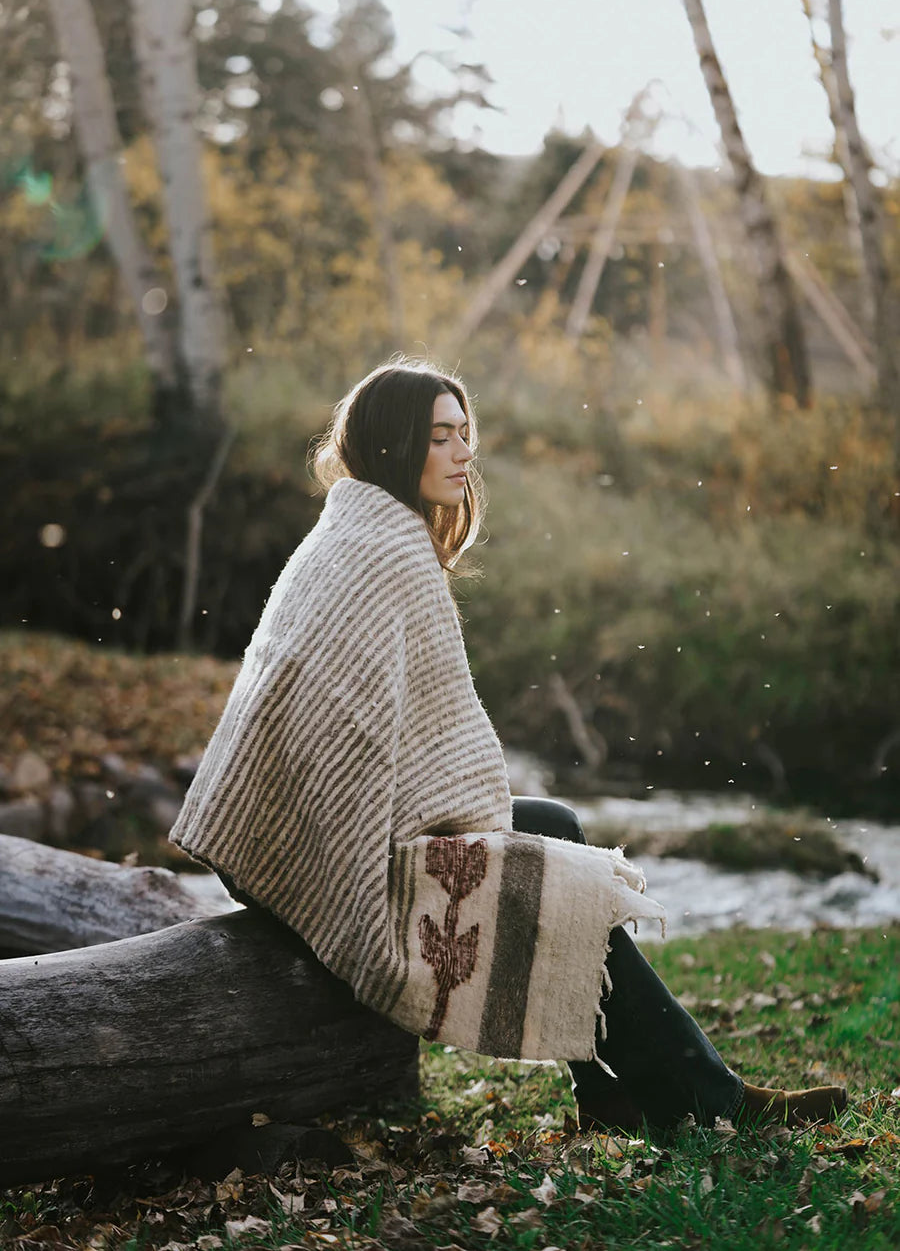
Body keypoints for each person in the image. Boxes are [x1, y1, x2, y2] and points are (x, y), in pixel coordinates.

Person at [170, 360, 847, 1134]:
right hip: (315, 855)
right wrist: (470, 823)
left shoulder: (347, 530)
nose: (463, 454)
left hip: (266, 840)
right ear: (395, 445)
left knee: (552, 829)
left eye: (467, 435)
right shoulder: (386, 551)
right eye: (440, 437)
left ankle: (610, 1089)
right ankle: (701, 1096)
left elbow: (384, 738)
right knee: (548, 845)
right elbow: (411, 750)